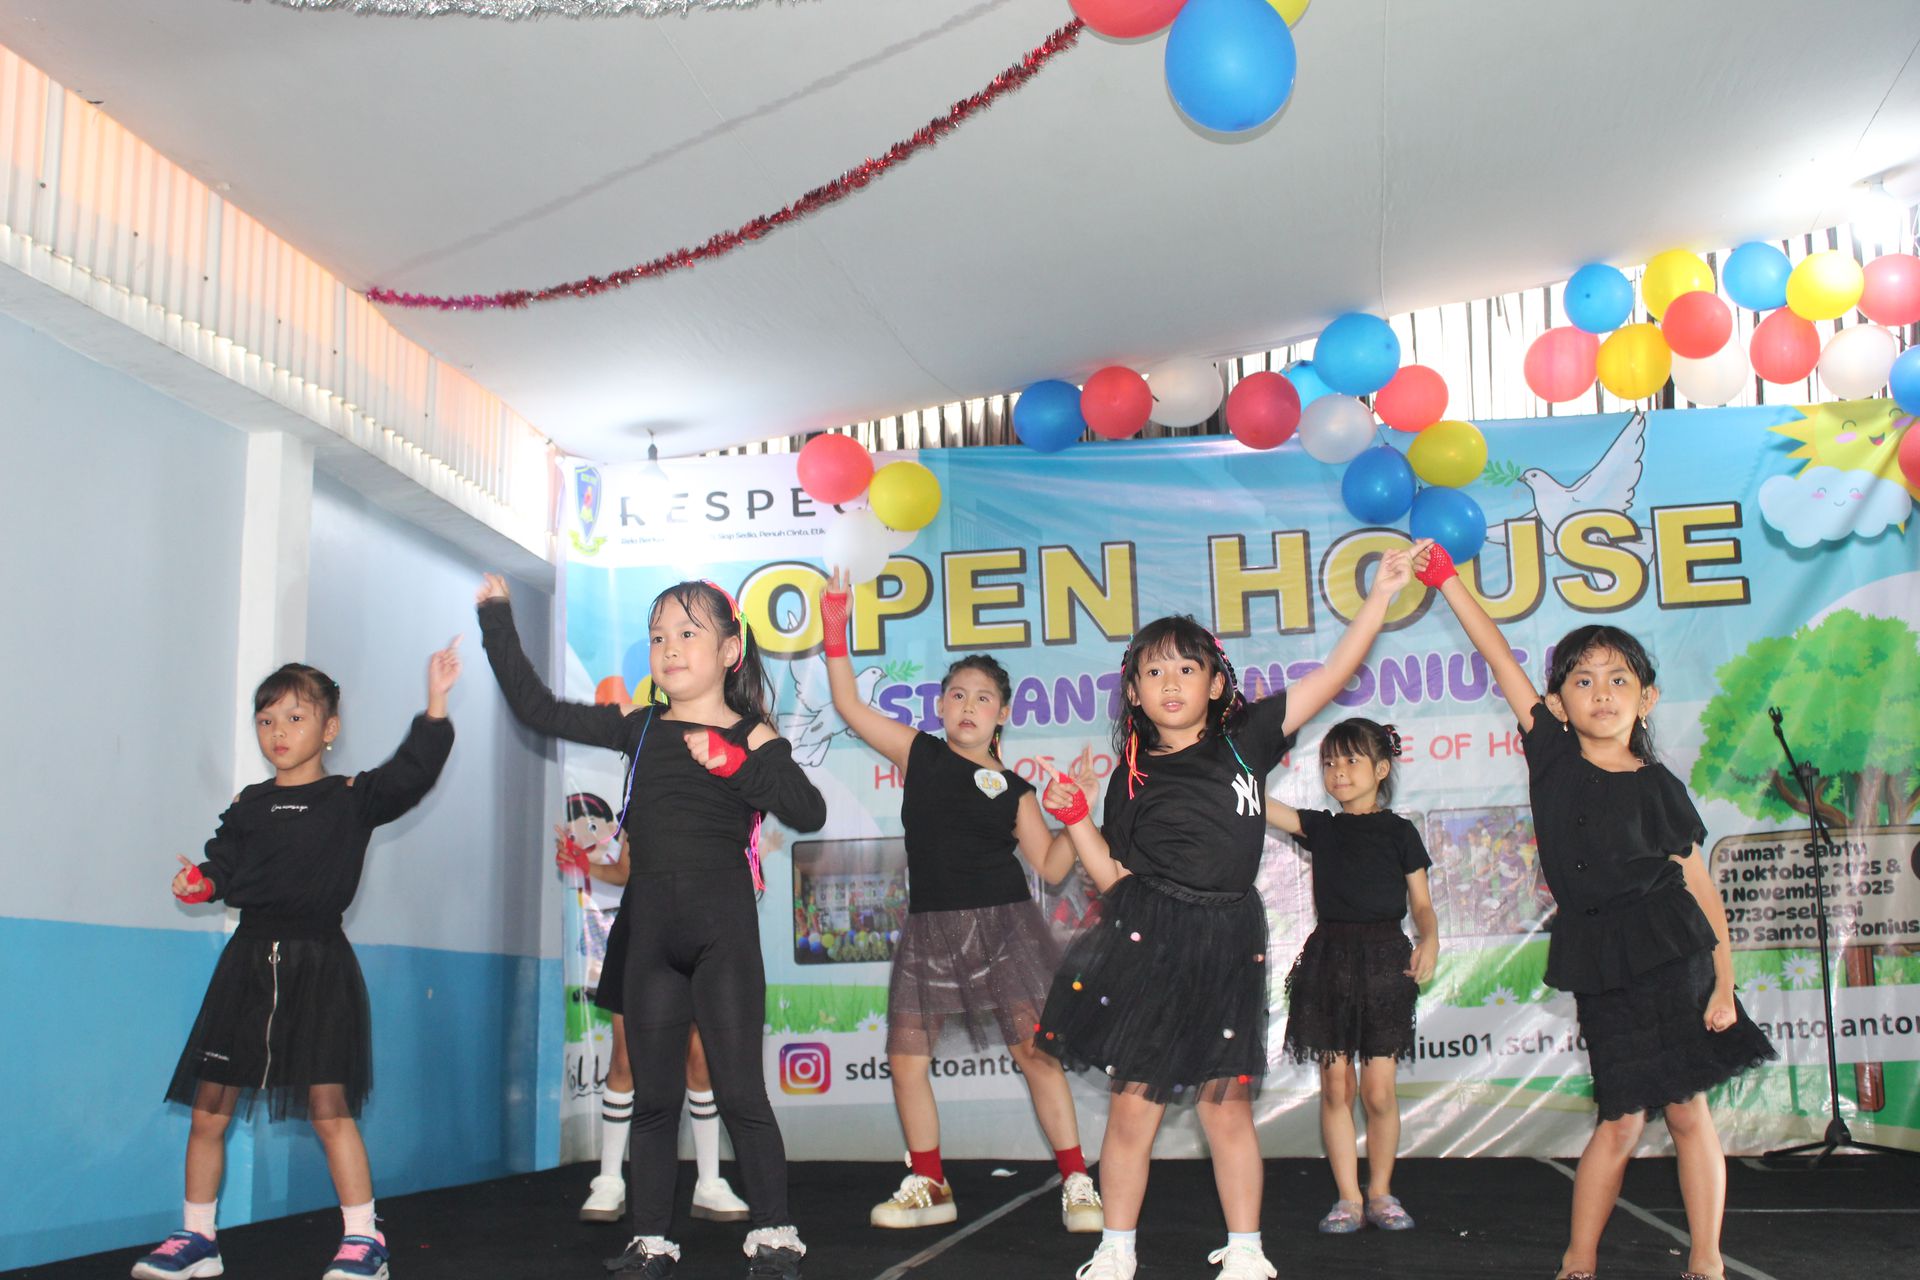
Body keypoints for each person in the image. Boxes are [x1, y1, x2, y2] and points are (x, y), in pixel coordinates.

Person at [1038, 544, 1423, 1280]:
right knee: (1133, 1108)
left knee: (1227, 1108)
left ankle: (1246, 1249)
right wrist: (1079, 819)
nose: (1170, 682)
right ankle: (1116, 1247)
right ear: (1133, 692)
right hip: (1148, 938)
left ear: (1216, 684)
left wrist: (1380, 595)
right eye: (1153, 672)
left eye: (1186, 669)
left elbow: (1333, 674)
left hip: (1227, 936)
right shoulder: (1129, 777)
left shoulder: (1245, 742)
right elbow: (1113, 880)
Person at [1418, 543, 1775, 1280]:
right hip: (1603, 957)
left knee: (1688, 1112)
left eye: (1619, 680)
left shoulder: (1659, 783)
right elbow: (1495, 654)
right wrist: (1447, 580)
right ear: (1557, 703)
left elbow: (1699, 887)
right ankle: (1577, 1263)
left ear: (1647, 699)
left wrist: (1723, 983)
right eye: (1583, 680)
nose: (1602, 693)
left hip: (1674, 950)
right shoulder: (1552, 756)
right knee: (1620, 1119)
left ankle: (1707, 1261)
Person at [477, 575, 825, 1279]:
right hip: (651, 938)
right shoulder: (638, 729)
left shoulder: (751, 732)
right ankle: (651, 1240)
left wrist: (737, 763)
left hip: (722, 935)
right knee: (654, 1099)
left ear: (730, 651)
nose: (669, 647)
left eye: (688, 634)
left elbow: (806, 809)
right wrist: (496, 618)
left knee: (740, 1092)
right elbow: (536, 706)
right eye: (658, 635)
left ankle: (775, 1233)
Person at [133, 643, 462, 1280]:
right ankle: (197, 1238)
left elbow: (412, 773)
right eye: (266, 720)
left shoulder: (352, 797)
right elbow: (222, 866)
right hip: (246, 965)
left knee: (328, 1107)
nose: (278, 732)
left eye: (294, 717)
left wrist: (436, 705)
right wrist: (200, 883)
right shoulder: (249, 805)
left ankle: (364, 1240)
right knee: (208, 1110)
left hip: (319, 964)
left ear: (328, 728)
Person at [815, 570, 1103, 1236]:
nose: (969, 705)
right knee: (906, 1059)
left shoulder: (1017, 790)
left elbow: (1052, 866)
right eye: (958, 695)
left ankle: (1077, 1180)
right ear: (941, 707)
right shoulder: (918, 753)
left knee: (1035, 1054)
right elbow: (849, 705)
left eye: (984, 697)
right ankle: (930, 1182)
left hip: (1005, 931)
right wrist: (834, 627)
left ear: (1003, 714)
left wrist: (1074, 813)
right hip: (931, 932)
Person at [1266, 717, 1437, 1233]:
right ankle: (1348, 1198)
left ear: (1381, 769)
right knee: (1336, 1087)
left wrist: (1430, 939)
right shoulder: (1322, 827)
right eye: (1329, 762)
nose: (1338, 771)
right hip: (1330, 962)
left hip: (1386, 960)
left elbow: (1422, 904)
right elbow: (1263, 806)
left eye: (1351, 760)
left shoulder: (1401, 832)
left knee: (1378, 1092)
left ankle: (1381, 1191)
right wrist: (1228, 762)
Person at [563, 828, 749, 1226]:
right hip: (640, 929)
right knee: (625, 1057)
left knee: (699, 1059)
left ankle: (709, 1183)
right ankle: (609, 1180)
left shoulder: (713, 799)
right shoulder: (640, 793)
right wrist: (584, 865)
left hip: (701, 929)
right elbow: (625, 870)